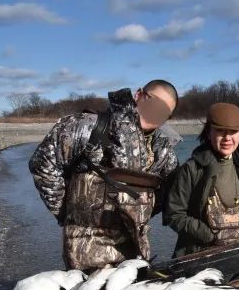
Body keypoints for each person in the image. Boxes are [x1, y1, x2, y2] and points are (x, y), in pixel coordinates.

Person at [29, 80, 181, 270]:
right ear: (139, 95)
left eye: (163, 111)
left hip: (135, 251)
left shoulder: (163, 150)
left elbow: (169, 191)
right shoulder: (87, 126)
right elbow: (43, 164)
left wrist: (142, 213)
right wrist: (66, 212)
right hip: (85, 249)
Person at [164, 102, 239, 257]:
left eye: (233, 131)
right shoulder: (192, 169)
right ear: (208, 133)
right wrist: (208, 235)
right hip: (200, 255)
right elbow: (174, 214)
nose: (227, 138)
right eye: (220, 131)